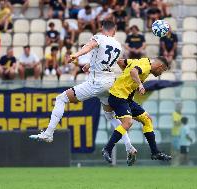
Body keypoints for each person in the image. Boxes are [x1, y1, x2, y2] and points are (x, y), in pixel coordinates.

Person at [29, 20, 137, 166]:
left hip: (96, 83)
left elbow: (89, 46)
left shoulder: (98, 37)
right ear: (115, 30)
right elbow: (105, 60)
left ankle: (48, 133)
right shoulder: (118, 45)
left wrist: (76, 55)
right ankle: (129, 147)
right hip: (110, 83)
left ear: (101, 28)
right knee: (111, 117)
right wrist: (89, 65)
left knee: (61, 99)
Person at [102, 57, 172, 164]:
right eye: (163, 71)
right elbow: (133, 71)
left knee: (147, 119)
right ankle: (107, 149)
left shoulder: (142, 60)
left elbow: (121, 61)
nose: (160, 73)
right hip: (118, 96)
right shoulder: (146, 66)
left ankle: (155, 152)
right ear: (160, 66)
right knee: (128, 123)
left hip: (127, 99)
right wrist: (139, 84)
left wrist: (125, 77)